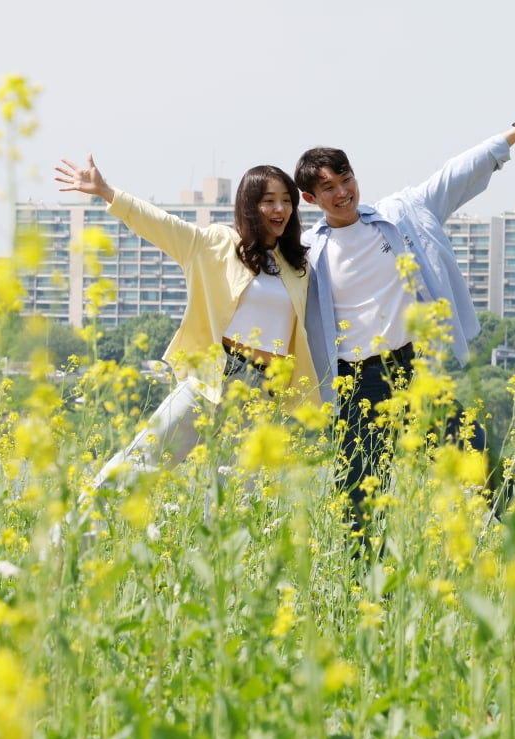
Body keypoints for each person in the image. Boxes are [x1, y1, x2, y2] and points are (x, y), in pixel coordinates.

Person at [294, 92, 515, 556]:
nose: (343, 192)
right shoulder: (305, 251)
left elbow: (456, 173)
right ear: (310, 198)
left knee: (481, 460)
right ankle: (364, 597)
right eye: (329, 188)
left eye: (346, 179)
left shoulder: (399, 216)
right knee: (358, 498)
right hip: (353, 385)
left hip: (409, 372)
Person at [53, 155, 320, 518]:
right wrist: (106, 192)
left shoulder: (297, 266)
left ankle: (221, 574)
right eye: (269, 200)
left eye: (286, 200)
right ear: (249, 205)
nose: (280, 209)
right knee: (142, 464)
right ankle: (67, 540)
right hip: (214, 376)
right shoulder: (216, 244)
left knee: (236, 503)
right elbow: (163, 225)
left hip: (262, 394)